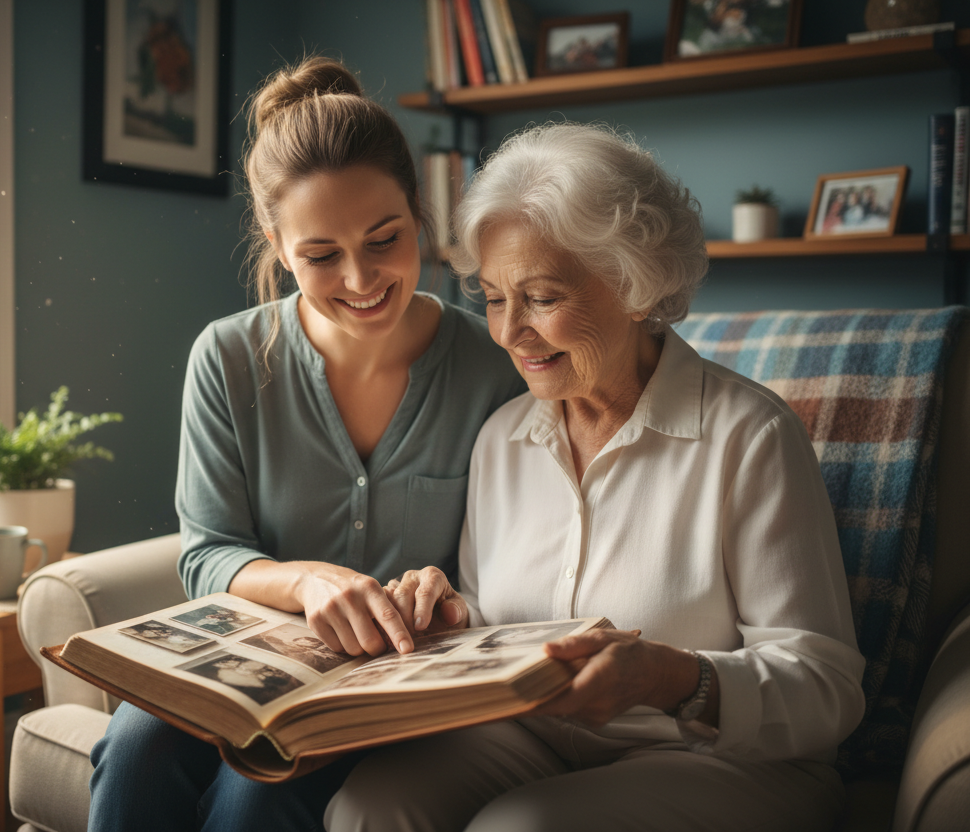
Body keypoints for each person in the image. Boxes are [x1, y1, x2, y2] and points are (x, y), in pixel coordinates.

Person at [327, 122, 866, 832]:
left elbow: (827, 690)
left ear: (636, 285)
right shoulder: (501, 438)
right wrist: (450, 618)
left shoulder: (750, 437)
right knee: (368, 806)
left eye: (542, 297)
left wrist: (674, 678)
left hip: (718, 760)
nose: (508, 332)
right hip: (535, 740)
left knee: (520, 828)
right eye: (493, 298)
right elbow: (496, 631)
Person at [87, 57, 526, 832]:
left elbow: (518, 561)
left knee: (257, 794)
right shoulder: (225, 357)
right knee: (133, 748)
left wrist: (444, 594)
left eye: (385, 239)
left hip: (399, 685)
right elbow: (207, 553)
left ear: (419, 211)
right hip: (253, 663)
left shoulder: (493, 368)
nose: (361, 278)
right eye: (321, 255)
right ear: (276, 242)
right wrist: (309, 583)